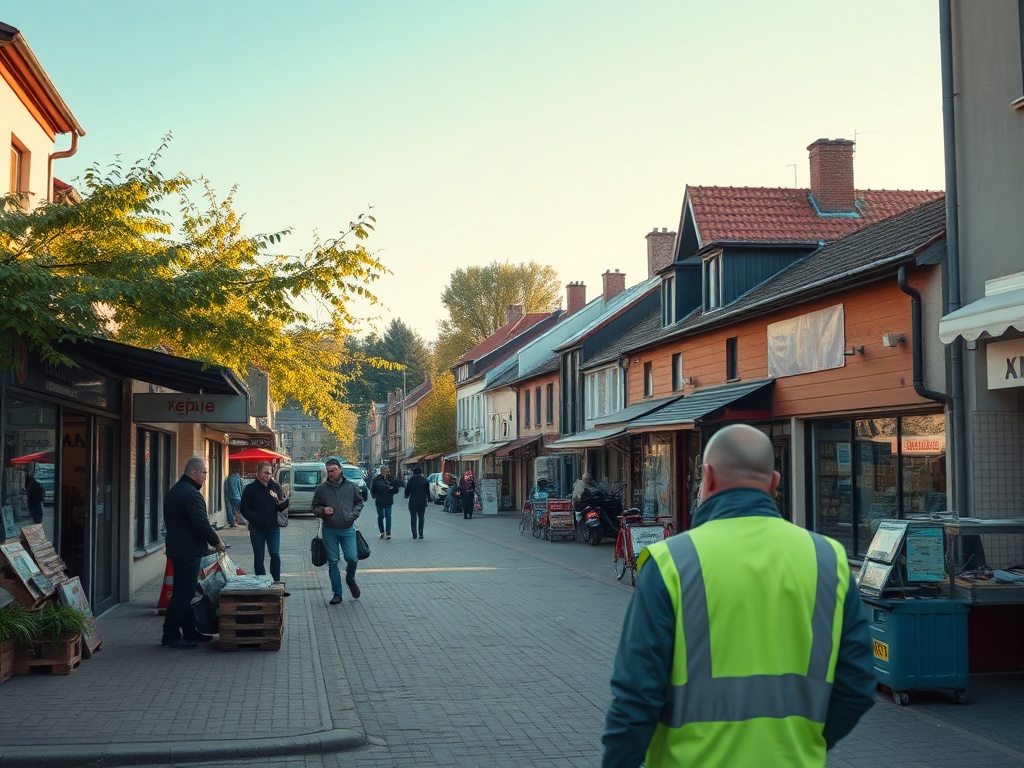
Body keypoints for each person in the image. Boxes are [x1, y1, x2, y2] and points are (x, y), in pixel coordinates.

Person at [602, 424, 876, 768]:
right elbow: (858, 686)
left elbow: (635, 699)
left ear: (708, 477)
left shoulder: (671, 563)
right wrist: (808, 746)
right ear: (774, 483)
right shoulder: (829, 560)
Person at [161, 457, 225, 649]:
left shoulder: (179, 489)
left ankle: (190, 631)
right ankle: (170, 635)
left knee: (185, 593)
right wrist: (217, 542)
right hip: (187, 551)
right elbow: (201, 523)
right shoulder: (190, 493)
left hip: (180, 549)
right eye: (204, 472)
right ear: (193, 472)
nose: (206, 476)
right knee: (183, 594)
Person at [311, 456, 365, 605]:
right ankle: (337, 593)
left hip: (348, 529)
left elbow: (359, 502)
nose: (331, 474)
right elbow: (314, 507)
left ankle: (350, 578)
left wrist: (353, 515)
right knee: (333, 562)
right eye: (328, 471)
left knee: (352, 558)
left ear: (340, 470)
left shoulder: (351, 486)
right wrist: (323, 510)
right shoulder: (322, 489)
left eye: (333, 470)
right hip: (330, 530)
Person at [239, 461, 290, 596]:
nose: (268, 475)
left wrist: (285, 502)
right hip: (257, 529)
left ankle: (276, 584)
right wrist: (254, 518)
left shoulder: (275, 486)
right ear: (258, 473)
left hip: (273, 528)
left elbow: (280, 506)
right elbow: (243, 508)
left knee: (275, 554)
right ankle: (261, 585)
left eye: (269, 472)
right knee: (259, 557)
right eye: (265, 472)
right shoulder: (250, 489)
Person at [369, 465, 403, 540]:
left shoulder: (391, 479)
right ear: (381, 471)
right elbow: (373, 489)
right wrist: (374, 496)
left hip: (388, 500)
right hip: (380, 500)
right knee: (381, 516)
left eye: (386, 471)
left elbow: (396, 489)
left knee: (388, 516)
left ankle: (388, 532)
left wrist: (392, 489)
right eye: (383, 471)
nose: (385, 473)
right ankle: (382, 531)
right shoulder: (377, 479)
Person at [404, 466, 430, 539]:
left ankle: (414, 534)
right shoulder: (425, 481)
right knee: (421, 517)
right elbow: (428, 492)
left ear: (413, 473)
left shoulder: (410, 480)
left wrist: (406, 495)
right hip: (422, 502)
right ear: (421, 472)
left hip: (412, 502)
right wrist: (429, 499)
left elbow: (407, 492)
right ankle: (421, 533)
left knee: (413, 518)